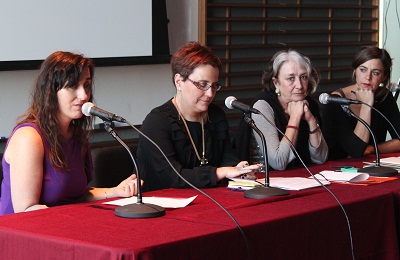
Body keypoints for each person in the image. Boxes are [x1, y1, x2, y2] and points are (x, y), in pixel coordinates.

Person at [0, 51, 140, 215]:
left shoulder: (77, 136)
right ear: (50, 91)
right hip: (20, 234)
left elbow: (75, 196)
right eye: (73, 86)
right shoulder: (28, 138)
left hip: (57, 227)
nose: (83, 95)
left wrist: (116, 191)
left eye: (86, 86)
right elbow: (27, 210)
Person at [136, 41, 261, 192]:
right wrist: (220, 172)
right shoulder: (157, 122)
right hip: (164, 206)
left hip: (209, 200)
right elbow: (173, 177)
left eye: (214, 86)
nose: (210, 94)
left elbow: (227, 159)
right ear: (179, 81)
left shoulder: (215, 115)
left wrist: (239, 170)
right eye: (202, 85)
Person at [235, 49, 328, 170]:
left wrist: (311, 120)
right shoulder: (262, 107)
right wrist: (295, 118)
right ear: (276, 83)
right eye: (291, 79)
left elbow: (321, 158)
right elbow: (279, 162)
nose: (299, 85)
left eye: (303, 77)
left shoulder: (309, 105)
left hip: (300, 180)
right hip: (264, 183)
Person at [321, 46, 400, 160]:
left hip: (370, 165)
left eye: (376, 73)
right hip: (337, 170)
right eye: (363, 70)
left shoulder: (384, 97)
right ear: (355, 71)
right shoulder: (335, 102)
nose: (368, 77)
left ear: (384, 77)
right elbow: (356, 151)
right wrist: (366, 106)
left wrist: (373, 148)